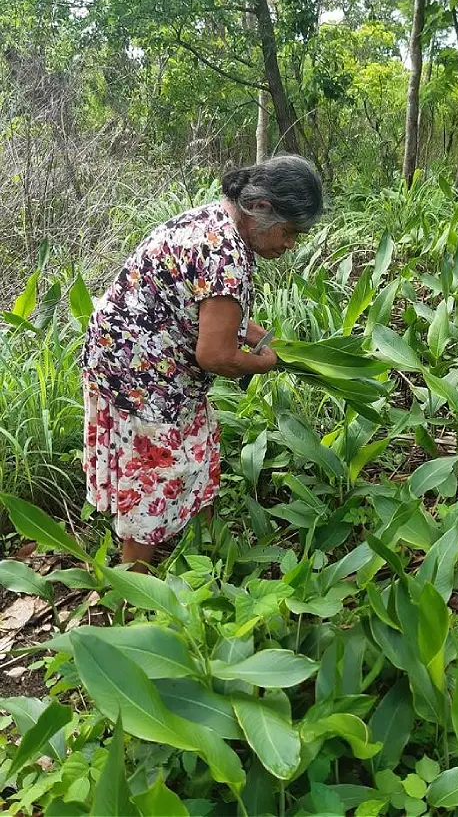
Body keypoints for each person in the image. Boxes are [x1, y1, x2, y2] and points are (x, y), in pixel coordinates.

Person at [81, 154, 323, 570]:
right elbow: (214, 355)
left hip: (131, 357)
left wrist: (261, 337)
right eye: (289, 232)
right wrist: (265, 363)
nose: (289, 245)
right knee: (153, 481)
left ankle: (208, 547)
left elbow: (209, 310)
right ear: (262, 207)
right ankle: (132, 591)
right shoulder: (225, 254)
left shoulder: (217, 220)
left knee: (198, 446)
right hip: (141, 378)